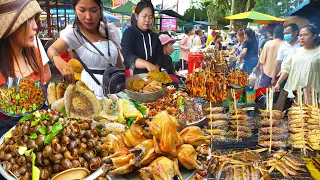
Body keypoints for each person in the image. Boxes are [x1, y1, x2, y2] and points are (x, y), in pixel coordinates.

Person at [47, 0, 124, 97]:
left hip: (115, 90)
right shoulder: (73, 33)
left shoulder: (110, 31)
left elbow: (119, 65)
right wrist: (58, 59)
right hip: (89, 92)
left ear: (100, 9)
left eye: (93, 10)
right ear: (75, 10)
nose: (88, 17)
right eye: (82, 10)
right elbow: (51, 49)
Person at [0, 0, 51, 132]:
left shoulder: (35, 53)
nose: (36, 26)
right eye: (29, 20)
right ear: (12, 27)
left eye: (35, 19)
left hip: (40, 132)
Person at [275, 25, 320, 96]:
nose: (302, 37)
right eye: (300, 35)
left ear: (314, 36)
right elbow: (287, 69)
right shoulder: (295, 51)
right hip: (294, 88)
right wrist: (278, 83)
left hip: (313, 91)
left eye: (305, 35)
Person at [121, 0, 163, 75]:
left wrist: (156, 67)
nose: (147, 20)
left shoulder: (154, 37)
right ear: (136, 16)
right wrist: (147, 64)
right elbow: (127, 55)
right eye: (144, 16)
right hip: (133, 76)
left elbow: (159, 56)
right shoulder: (129, 33)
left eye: (150, 17)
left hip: (151, 79)